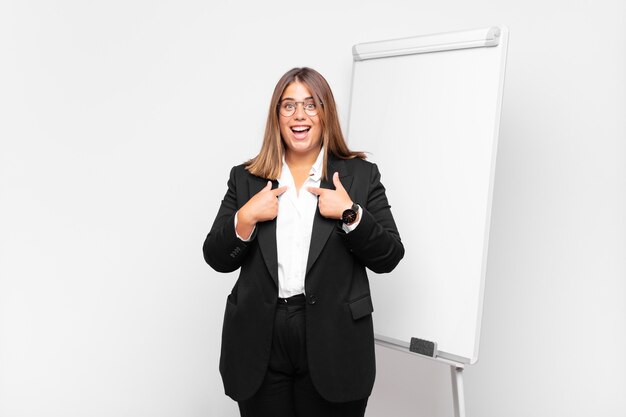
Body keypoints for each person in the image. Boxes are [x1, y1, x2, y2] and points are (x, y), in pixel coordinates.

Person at [203, 67, 404, 417]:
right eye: (289, 106)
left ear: (325, 113)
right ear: (277, 116)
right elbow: (217, 256)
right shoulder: (247, 177)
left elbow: (389, 256)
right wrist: (246, 217)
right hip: (260, 338)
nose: (300, 116)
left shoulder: (359, 175)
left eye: (311, 105)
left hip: (334, 338)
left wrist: (350, 214)